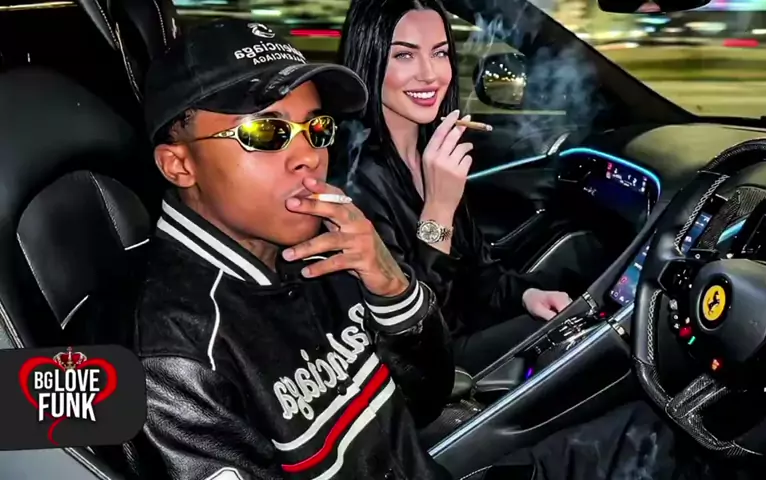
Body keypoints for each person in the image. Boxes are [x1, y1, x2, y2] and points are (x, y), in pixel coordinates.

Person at [124, 18, 456, 480]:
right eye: (265, 132)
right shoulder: (177, 356)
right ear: (180, 165)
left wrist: (393, 288)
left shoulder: (329, 247)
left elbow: (423, 403)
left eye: (316, 128)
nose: (309, 156)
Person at [335, 0, 585, 375]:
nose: (430, 74)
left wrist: (527, 295)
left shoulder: (432, 152)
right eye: (404, 55)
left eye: (440, 53)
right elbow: (414, 328)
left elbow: (481, 274)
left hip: (462, 338)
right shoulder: (353, 178)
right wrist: (438, 207)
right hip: (426, 369)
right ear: (369, 59)